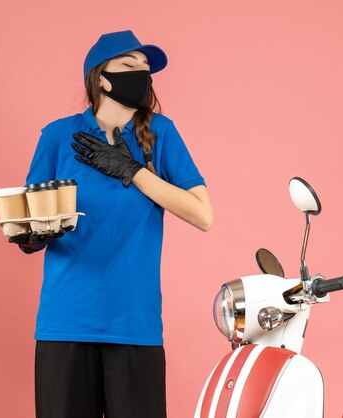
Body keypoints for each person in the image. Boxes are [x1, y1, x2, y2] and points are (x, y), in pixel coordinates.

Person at [14, 30, 213, 418]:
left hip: (134, 323)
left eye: (146, 68)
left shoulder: (160, 133)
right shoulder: (58, 137)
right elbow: (32, 218)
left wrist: (132, 169)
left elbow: (203, 214)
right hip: (66, 321)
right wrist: (30, 237)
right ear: (100, 77)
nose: (142, 74)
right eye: (129, 65)